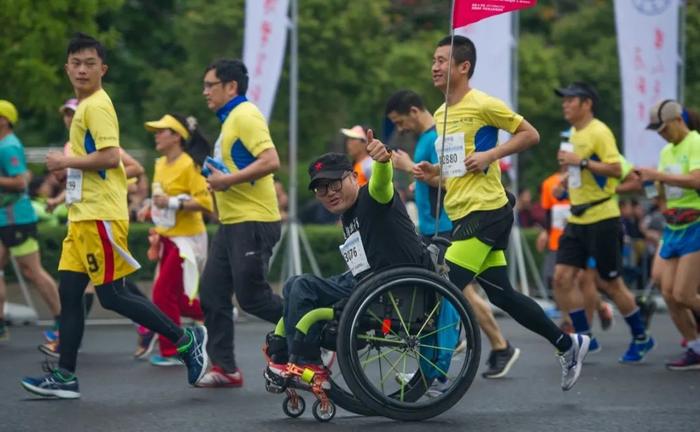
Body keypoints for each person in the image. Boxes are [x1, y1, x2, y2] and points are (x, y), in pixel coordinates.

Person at [20, 33, 208, 399]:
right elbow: (96, 163)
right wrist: (67, 171)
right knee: (70, 293)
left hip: (100, 216)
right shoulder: (85, 108)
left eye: (90, 63)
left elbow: (110, 157)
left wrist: (65, 161)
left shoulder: (98, 106)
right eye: (76, 63)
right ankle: (65, 376)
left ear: (102, 69)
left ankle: (185, 340)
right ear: (67, 68)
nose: (82, 69)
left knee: (112, 295)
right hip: (81, 215)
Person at [413, 35, 589, 391]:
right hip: (463, 212)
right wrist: (433, 172)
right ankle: (568, 345)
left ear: (464, 67)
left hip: (488, 211)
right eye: (433, 60)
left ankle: (431, 375)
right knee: (502, 295)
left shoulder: (483, 104)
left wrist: (492, 155)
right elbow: (455, 168)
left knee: (443, 287)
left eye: (443, 60)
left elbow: (531, 135)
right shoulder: (441, 114)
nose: (435, 66)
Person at [386, 89, 520, 379]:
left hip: (447, 223)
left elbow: (452, 181)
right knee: (469, 290)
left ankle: (480, 349)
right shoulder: (426, 138)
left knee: (454, 291)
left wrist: (408, 167)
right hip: (433, 224)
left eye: (399, 121)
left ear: (413, 111)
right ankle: (493, 346)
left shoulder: (437, 137)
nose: (400, 129)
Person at [270, 144, 433, 377]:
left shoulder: (372, 197)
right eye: (321, 190)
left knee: (303, 286)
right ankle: (289, 354)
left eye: (335, 184)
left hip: (394, 287)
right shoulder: (347, 215)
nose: (330, 193)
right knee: (293, 285)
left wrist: (382, 163)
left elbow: (381, 184)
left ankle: (307, 362)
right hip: (366, 282)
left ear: (354, 177)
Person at [552, 81, 654, 364]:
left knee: (610, 284)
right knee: (561, 278)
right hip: (576, 218)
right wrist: (564, 184)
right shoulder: (571, 133)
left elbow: (616, 168)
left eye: (571, 100)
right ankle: (584, 338)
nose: (565, 104)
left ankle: (642, 337)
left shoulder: (599, 131)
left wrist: (581, 163)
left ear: (587, 104)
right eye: (565, 100)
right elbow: (575, 170)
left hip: (603, 218)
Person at [198, 58, 283, 387]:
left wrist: (227, 180)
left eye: (210, 85)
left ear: (231, 87)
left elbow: (271, 160)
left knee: (252, 298)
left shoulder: (246, 115)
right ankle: (225, 368)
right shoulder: (229, 120)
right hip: (232, 223)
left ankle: (314, 331)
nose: (205, 92)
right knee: (212, 293)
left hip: (254, 221)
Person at [138, 113, 213, 366]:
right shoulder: (159, 163)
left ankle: (172, 350)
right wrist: (148, 207)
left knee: (161, 294)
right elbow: (160, 198)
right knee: (177, 299)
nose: (157, 135)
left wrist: (170, 202)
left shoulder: (189, 164)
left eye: (162, 131)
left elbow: (205, 203)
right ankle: (216, 314)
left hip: (187, 240)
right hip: (166, 238)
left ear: (177, 136)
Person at [637, 99, 700, 370]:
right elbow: (659, 191)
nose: (662, 134)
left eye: (664, 128)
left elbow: (696, 180)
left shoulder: (695, 142)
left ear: (678, 120)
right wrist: (651, 186)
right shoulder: (666, 153)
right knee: (669, 293)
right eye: (658, 131)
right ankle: (694, 347)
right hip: (673, 227)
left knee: (685, 294)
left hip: (695, 223)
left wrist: (658, 176)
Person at [0, 99, 61, 343]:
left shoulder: (9, 146)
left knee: (32, 271)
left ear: (4, 119)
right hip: (4, 218)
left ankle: (62, 319)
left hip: (18, 218)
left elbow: (21, 182)